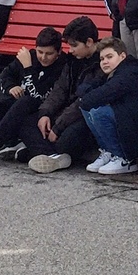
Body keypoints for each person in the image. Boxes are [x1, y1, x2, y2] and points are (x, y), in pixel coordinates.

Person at [0, 27, 68, 167]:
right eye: (40, 52)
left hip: (39, 110)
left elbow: (38, 96)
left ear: (59, 52)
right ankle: (13, 140)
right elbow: (6, 76)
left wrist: (28, 69)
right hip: (16, 106)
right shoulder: (30, 57)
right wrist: (10, 87)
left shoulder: (62, 66)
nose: (43, 57)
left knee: (25, 102)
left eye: (49, 53)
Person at [22, 17, 105, 172]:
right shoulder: (73, 60)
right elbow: (60, 89)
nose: (71, 50)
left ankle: (42, 151)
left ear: (89, 42)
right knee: (28, 120)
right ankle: (50, 154)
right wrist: (45, 113)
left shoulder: (102, 63)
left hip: (84, 116)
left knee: (67, 139)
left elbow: (82, 102)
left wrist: (58, 127)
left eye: (74, 45)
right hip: (65, 112)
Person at [76, 37, 138, 175]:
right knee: (86, 108)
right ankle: (108, 152)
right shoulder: (110, 73)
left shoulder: (129, 72)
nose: (105, 62)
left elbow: (104, 93)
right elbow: (84, 88)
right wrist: (85, 97)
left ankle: (124, 159)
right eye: (102, 59)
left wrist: (86, 97)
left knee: (98, 112)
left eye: (109, 56)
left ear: (122, 56)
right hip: (125, 119)